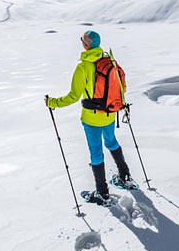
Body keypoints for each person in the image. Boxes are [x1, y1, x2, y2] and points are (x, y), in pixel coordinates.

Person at [46, 30, 133, 204]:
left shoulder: (83, 67)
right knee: (111, 142)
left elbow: (73, 96)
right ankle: (125, 176)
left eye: (83, 41)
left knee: (96, 152)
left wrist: (52, 102)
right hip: (109, 114)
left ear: (86, 44)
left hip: (91, 118)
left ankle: (102, 192)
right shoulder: (110, 61)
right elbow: (122, 88)